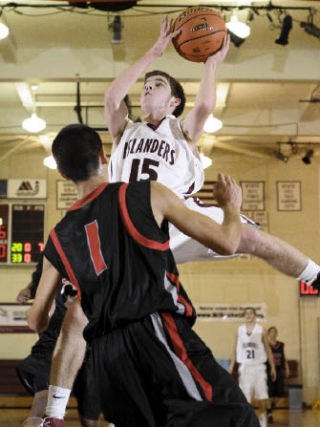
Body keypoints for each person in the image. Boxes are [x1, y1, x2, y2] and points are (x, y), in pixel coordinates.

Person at [26, 123, 260, 427]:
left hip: (107, 358)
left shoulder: (58, 237)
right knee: (237, 419)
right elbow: (228, 242)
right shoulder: (146, 193)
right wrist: (231, 207)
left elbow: (35, 320)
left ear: (63, 174)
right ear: (103, 154)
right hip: (157, 333)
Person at [104, 16, 320, 287]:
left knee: (251, 238)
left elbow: (205, 107)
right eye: (145, 85)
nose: (148, 86)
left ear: (174, 102)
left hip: (177, 217)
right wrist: (154, 52)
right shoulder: (125, 131)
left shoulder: (181, 132)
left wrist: (211, 65)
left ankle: (316, 276)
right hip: (129, 223)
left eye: (158, 84)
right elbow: (112, 97)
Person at [16, 254, 103, 427]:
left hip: (89, 349)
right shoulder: (58, 254)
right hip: (53, 344)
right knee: (42, 404)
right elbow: (41, 282)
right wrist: (30, 290)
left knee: (90, 418)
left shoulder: (104, 260)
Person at [228, 307, 276, 427]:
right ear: (244, 316)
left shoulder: (261, 330)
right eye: (246, 313)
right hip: (245, 367)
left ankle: (262, 418)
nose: (249, 315)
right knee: (245, 397)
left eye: (251, 313)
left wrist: (273, 367)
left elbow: (268, 350)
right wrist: (231, 366)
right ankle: (247, 420)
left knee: (262, 396)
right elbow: (234, 349)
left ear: (255, 315)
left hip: (259, 366)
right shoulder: (239, 330)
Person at [266, 326, 290, 424]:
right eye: (271, 332)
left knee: (279, 393)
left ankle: (270, 407)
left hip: (279, 370)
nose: (273, 333)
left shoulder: (281, 345)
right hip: (268, 370)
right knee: (269, 392)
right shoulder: (266, 345)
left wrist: (287, 368)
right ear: (268, 334)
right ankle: (269, 413)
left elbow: (284, 357)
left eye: (275, 332)